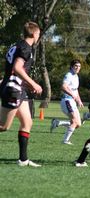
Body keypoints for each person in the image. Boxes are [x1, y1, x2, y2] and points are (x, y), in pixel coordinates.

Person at [0, 21, 42, 167]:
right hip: (13, 89)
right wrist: (33, 83)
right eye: (38, 33)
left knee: (27, 122)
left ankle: (23, 160)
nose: (39, 35)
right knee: (4, 127)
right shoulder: (26, 48)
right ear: (33, 33)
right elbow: (17, 68)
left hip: (18, 89)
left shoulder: (17, 45)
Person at [50, 59, 84, 145]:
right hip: (67, 100)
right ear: (72, 66)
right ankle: (65, 140)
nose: (78, 68)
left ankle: (58, 123)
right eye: (76, 66)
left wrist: (79, 100)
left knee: (78, 124)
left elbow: (76, 90)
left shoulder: (76, 76)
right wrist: (72, 95)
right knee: (74, 121)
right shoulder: (69, 75)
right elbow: (63, 87)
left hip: (72, 101)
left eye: (79, 66)